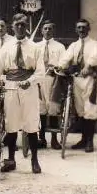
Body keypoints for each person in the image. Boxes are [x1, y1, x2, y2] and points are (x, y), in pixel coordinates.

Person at [0, 13, 43, 174]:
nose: (20, 27)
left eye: (23, 25)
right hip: (10, 86)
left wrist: (29, 81)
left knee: (31, 124)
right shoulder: (6, 47)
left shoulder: (35, 47)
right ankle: (11, 160)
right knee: (11, 124)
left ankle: (34, 160)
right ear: (13, 27)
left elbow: (41, 72)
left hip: (28, 87)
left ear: (26, 27)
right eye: (17, 25)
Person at [57, 19, 97, 153]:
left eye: (84, 27)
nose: (81, 30)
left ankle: (89, 142)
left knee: (90, 109)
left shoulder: (94, 44)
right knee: (80, 109)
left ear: (88, 29)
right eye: (79, 28)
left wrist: (88, 66)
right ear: (76, 30)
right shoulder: (74, 45)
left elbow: (95, 57)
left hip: (90, 80)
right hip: (77, 79)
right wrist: (60, 66)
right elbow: (65, 58)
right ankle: (83, 139)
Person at [36, 20, 65, 150]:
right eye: (45, 29)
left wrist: (57, 67)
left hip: (53, 80)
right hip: (39, 80)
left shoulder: (59, 47)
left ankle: (54, 139)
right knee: (41, 109)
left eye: (50, 29)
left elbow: (63, 63)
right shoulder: (36, 46)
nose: (47, 31)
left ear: (53, 31)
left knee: (52, 109)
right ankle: (42, 138)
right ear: (41, 31)